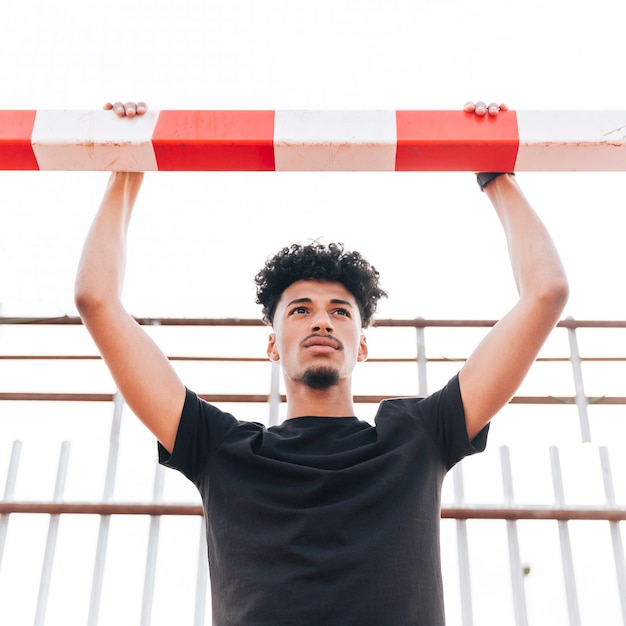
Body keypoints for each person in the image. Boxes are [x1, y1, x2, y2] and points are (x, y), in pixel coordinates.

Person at [75, 101, 569, 625]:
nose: (322, 322)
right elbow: (95, 298)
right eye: (301, 310)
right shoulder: (220, 447)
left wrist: (495, 172)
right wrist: (127, 165)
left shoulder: (417, 435)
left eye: (339, 312)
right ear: (273, 344)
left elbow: (546, 292)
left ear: (360, 345)